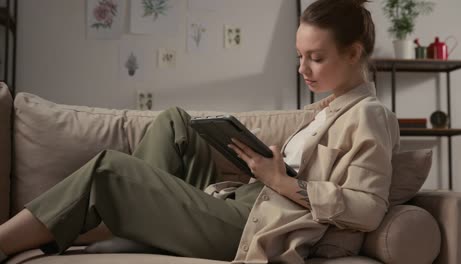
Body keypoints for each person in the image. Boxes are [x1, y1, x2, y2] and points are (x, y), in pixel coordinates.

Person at [0, 0, 400, 263]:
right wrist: (259, 167)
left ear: (353, 54)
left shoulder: (370, 116)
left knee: (109, 168)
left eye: (316, 58)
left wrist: (282, 183)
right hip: (246, 199)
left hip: (258, 224)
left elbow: (368, 208)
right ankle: (130, 220)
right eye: (299, 56)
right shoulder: (327, 110)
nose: (303, 69)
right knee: (176, 122)